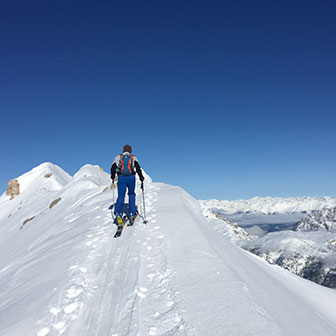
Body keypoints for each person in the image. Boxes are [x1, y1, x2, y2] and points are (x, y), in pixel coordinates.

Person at [110, 144, 145, 225]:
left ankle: (118, 213)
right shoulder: (133, 157)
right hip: (131, 178)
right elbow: (138, 167)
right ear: (130, 151)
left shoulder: (118, 157)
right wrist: (141, 177)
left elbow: (112, 168)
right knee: (131, 194)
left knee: (121, 195)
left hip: (121, 178)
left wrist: (112, 177)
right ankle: (132, 213)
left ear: (123, 150)